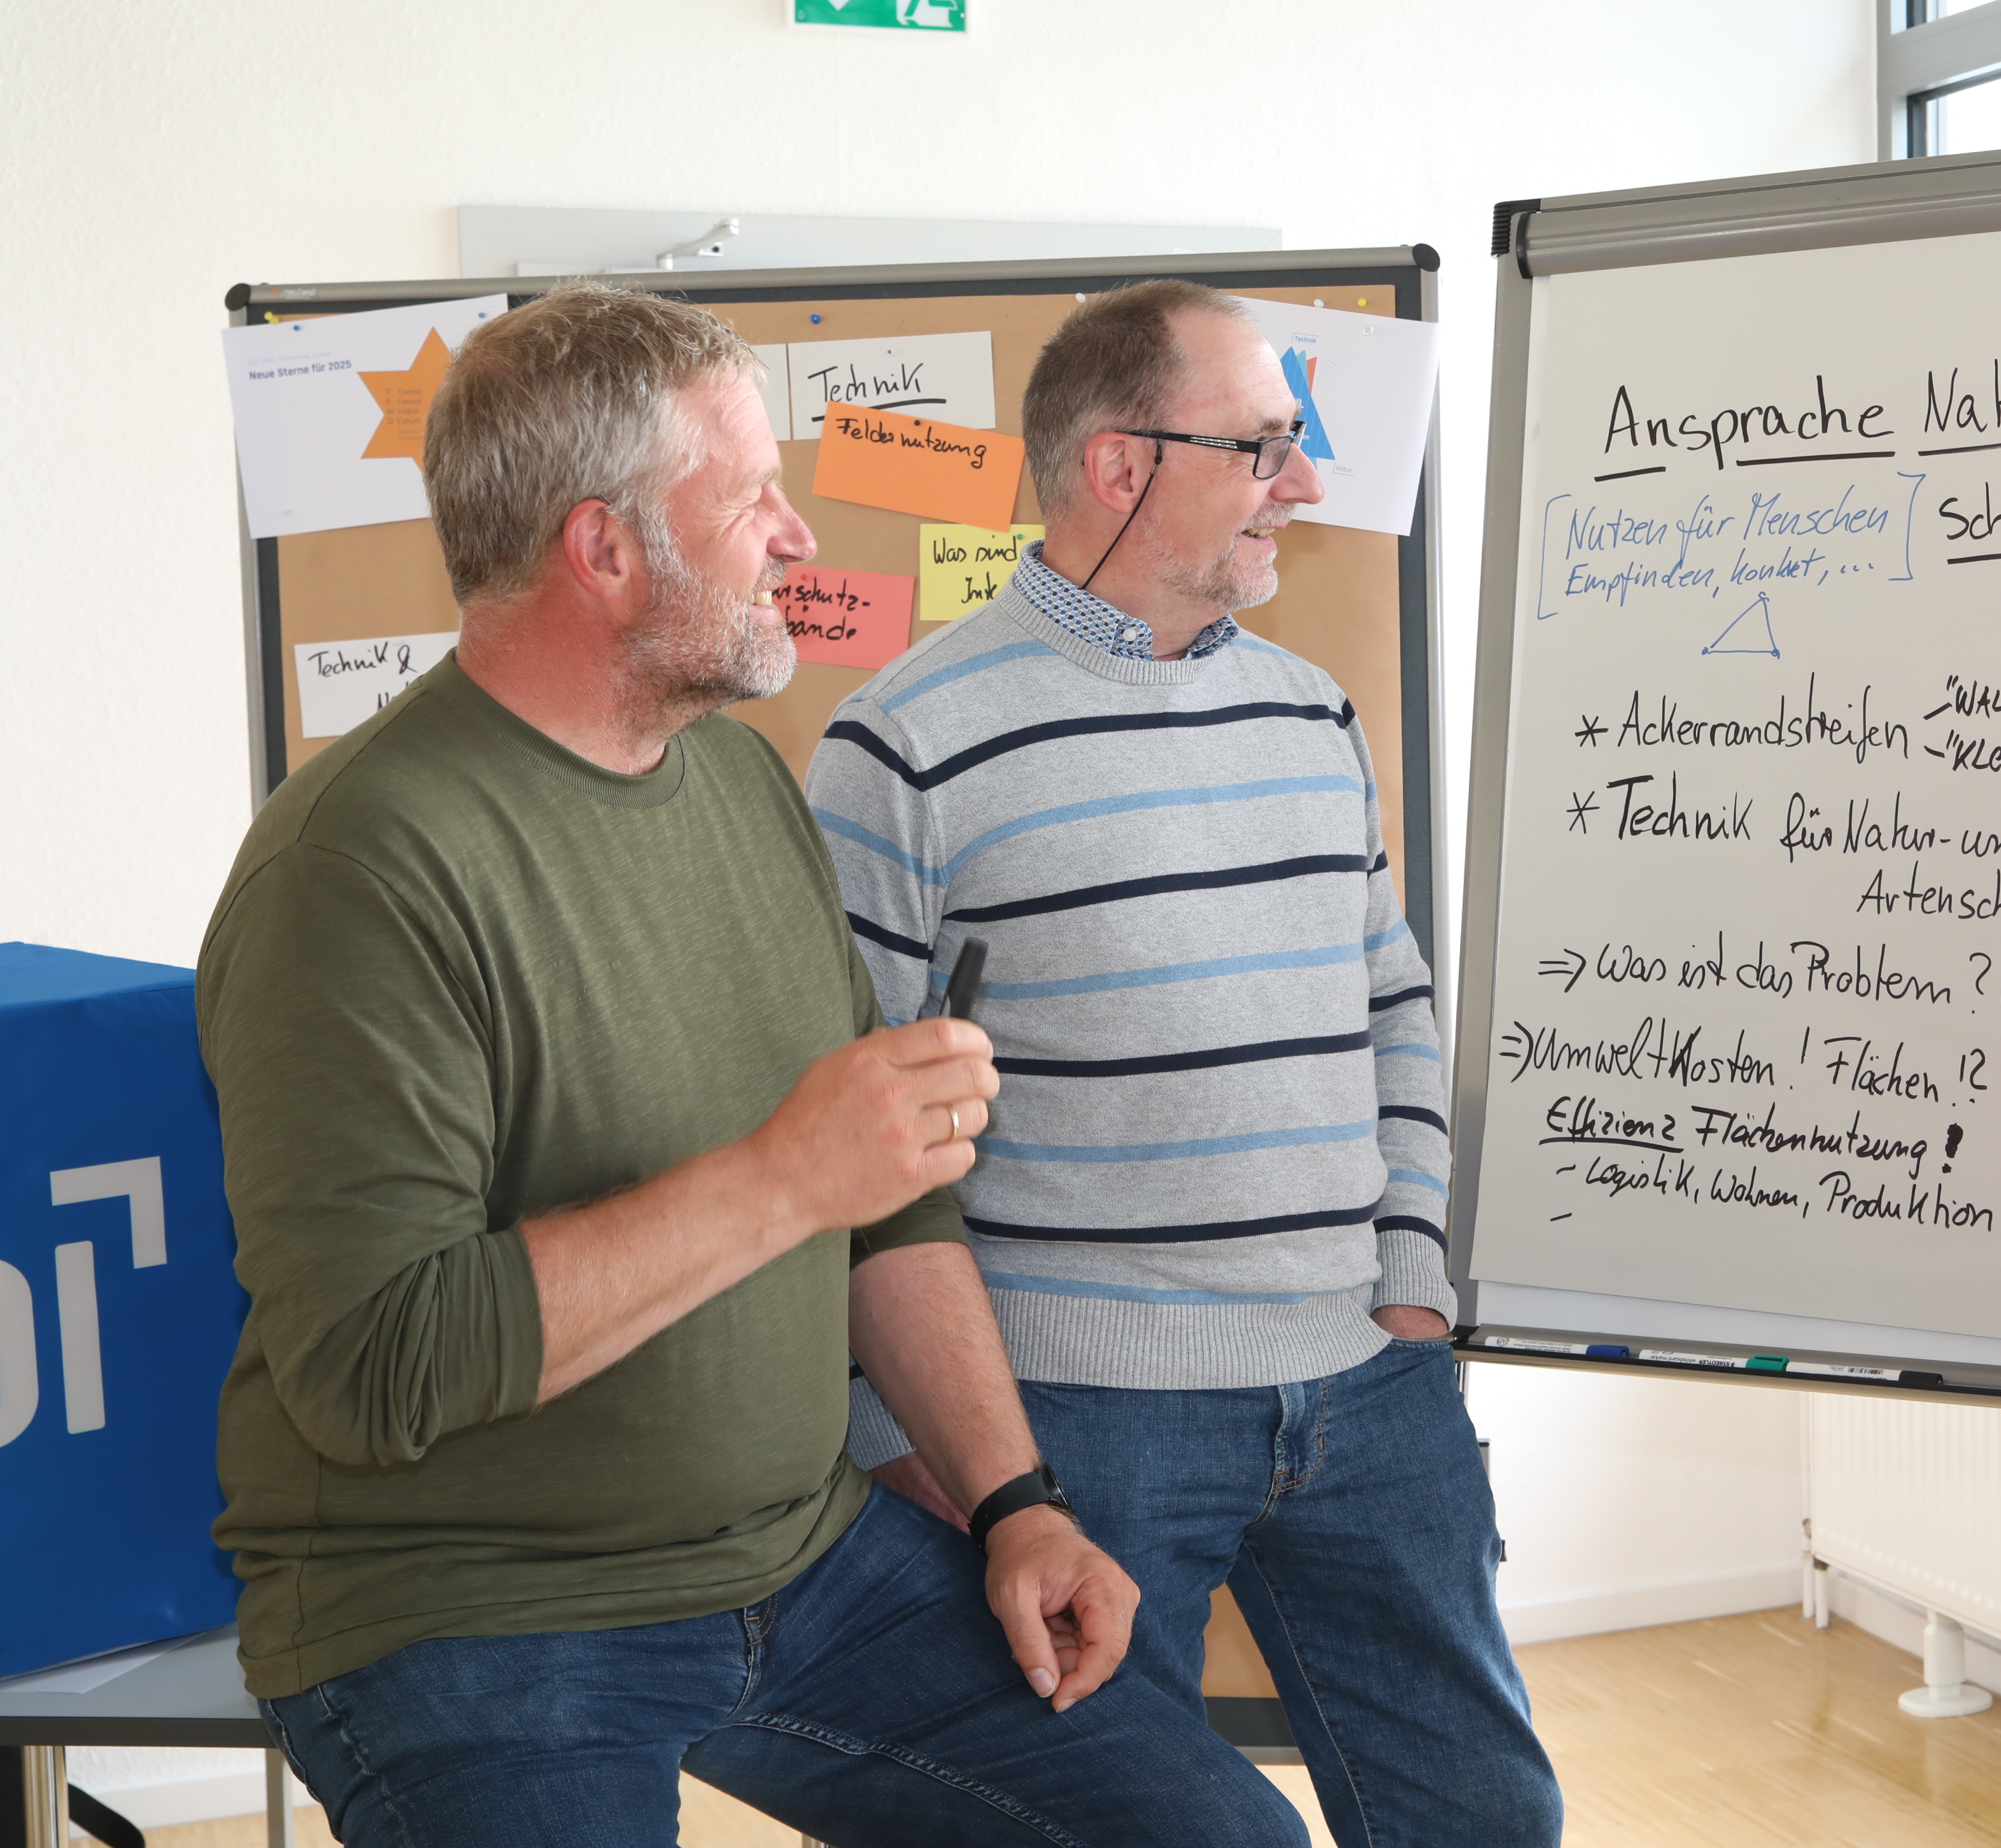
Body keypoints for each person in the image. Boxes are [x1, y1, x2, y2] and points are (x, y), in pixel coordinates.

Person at [196, 282, 1305, 1848]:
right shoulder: (358, 870)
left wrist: (1016, 1505)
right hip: (473, 1608)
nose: (797, 536)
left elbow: (889, 1191)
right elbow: (377, 1369)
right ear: (605, 550)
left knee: (1227, 1838)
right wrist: (783, 1180)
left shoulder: (738, 774)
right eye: (752, 500)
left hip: (800, 1560)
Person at [807, 279, 1562, 1848]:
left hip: (1369, 1383)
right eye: (1263, 445)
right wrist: (906, 1433)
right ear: (1118, 466)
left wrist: (1409, 1275)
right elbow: (841, 1133)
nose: (1303, 481)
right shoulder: (903, 746)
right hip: (1082, 1421)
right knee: (1132, 1831)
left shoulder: (1311, 711)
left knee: (1488, 1814)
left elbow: (1391, 1004)